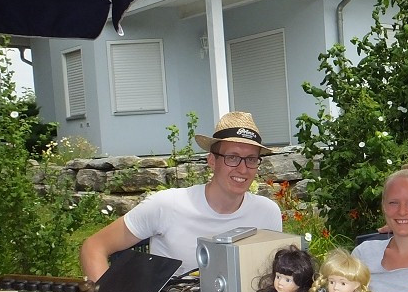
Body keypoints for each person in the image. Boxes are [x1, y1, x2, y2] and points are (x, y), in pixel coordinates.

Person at [79, 111, 282, 281]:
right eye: (232, 158)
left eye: (251, 159)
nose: (243, 168)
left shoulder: (267, 213)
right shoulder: (167, 205)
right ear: (212, 161)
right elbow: (94, 247)